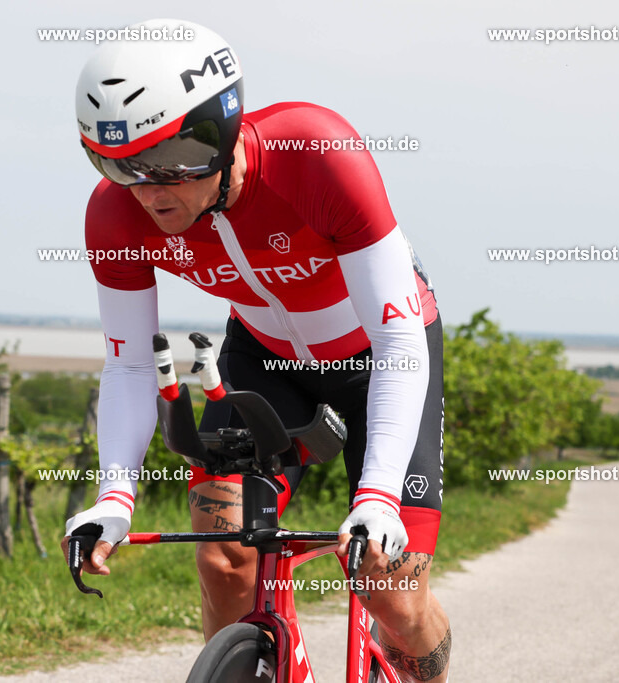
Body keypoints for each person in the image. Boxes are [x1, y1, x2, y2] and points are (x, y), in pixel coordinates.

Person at [60, 19, 451, 682]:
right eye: (118, 165)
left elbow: (396, 337)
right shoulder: (115, 214)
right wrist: (115, 496)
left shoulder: (319, 154)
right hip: (264, 362)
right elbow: (128, 362)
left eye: (169, 160)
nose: (149, 191)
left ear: (220, 130)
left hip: (380, 361)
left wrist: (379, 494)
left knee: (390, 588)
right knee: (223, 557)